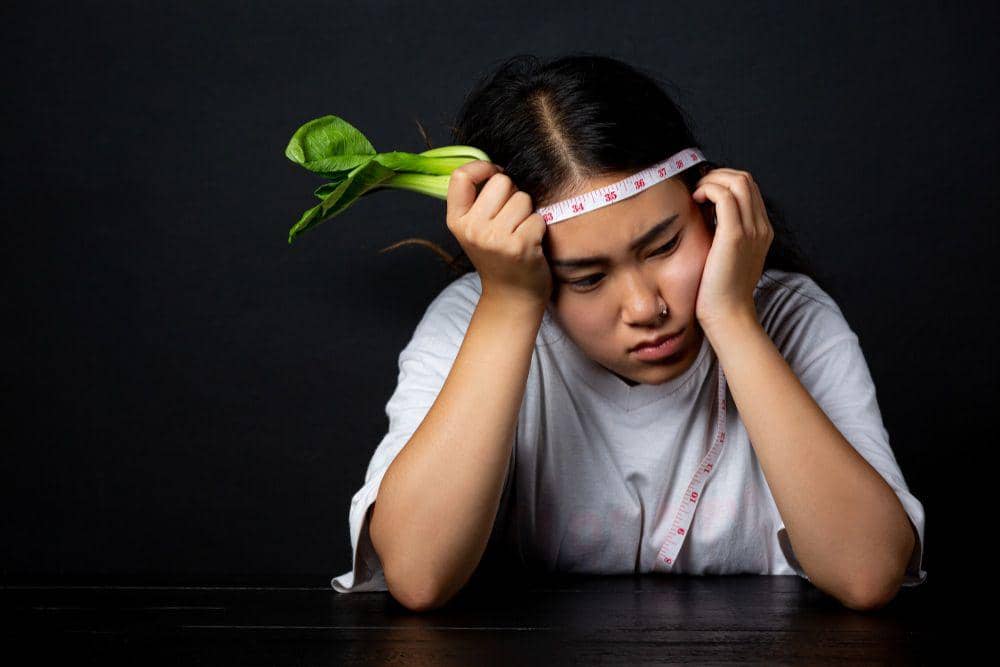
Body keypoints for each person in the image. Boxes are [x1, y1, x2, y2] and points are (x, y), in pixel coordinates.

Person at [330, 53, 927, 612]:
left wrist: (734, 318)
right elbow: (419, 576)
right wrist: (508, 306)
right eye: (587, 278)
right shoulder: (473, 320)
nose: (645, 307)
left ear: (710, 204)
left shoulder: (792, 314)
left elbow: (867, 572)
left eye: (665, 245)